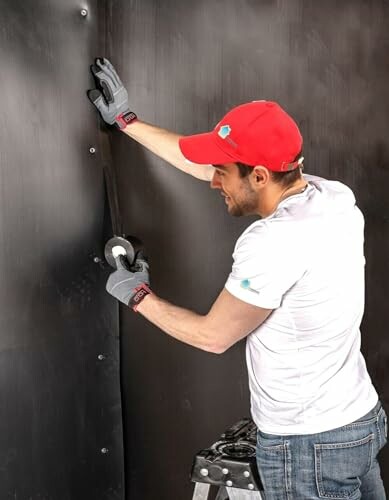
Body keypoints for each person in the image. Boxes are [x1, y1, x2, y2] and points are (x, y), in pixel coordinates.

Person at [88, 58, 388, 499]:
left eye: (222, 173)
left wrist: (138, 296)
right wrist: (127, 122)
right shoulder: (334, 198)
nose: (213, 182)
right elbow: (209, 168)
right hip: (358, 420)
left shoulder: (272, 241)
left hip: (308, 447)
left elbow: (214, 336)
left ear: (261, 175)